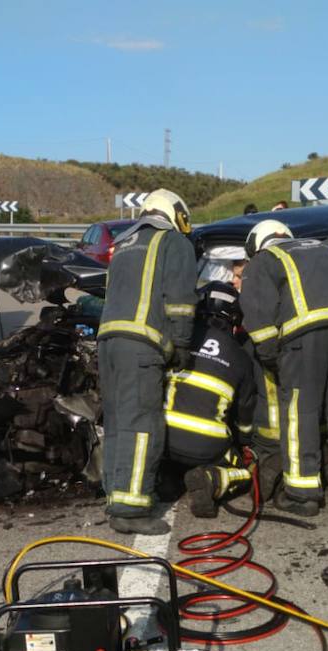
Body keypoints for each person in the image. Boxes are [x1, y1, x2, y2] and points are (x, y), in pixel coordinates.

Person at [241, 219, 328, 518]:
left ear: (256, 245)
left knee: (300, 411)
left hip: (303, 339)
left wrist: (273, 358)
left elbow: (257, 316)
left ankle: (303, 495)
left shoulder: (265, 260)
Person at [98, 188, 199, 535]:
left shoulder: (124, 244)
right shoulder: (173, 242)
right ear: (175, 212)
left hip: (108, 342)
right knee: (142, 424)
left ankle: (115, 495)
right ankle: (131, 509)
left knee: (116, 421)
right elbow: (182, 301)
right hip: (141, 345)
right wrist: (182, 344)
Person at [164, 283, 258, 517]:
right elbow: (245, 412)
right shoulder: (240, 356)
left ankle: (166, 477)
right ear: (234, 318)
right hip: (207, 447)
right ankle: (211, 479)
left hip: (163, 439)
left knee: (170, 461)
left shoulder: (178, 341)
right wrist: (245, 441)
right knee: (244, 470)